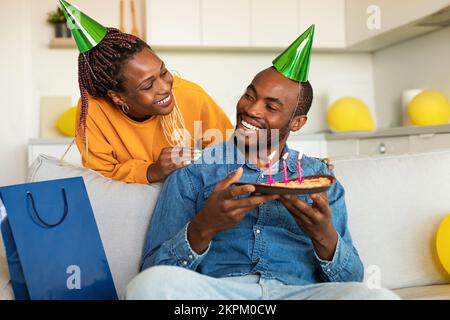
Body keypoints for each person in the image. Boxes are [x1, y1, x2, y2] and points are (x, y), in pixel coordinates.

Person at [125, 25, 399, 300]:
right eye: (250, 95)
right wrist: (203, 226)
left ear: (297, 123)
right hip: (221, 295)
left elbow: (352, 279)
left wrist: (324, 235)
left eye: (271, 106)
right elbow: (152, 271)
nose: (251, 109)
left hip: (297, 292)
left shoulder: (321, 179)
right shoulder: (192, 172)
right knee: (147, 287)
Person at [60, 0, 233, 184]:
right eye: (148, 85)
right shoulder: (94, 111)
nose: (165, 87)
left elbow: (229, 151)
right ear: (118, 97)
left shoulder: (191, 96)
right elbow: (100, 174)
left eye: (163, 71)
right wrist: (152, 170)